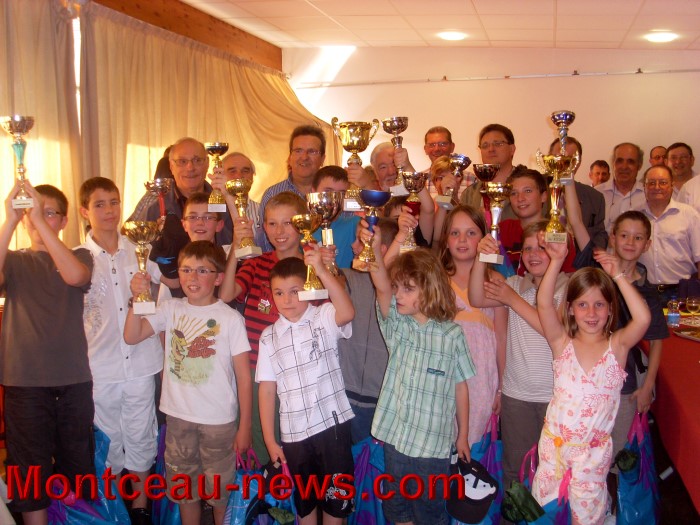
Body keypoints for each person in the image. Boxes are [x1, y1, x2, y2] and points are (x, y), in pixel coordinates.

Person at [124, 241, 252, 525]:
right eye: (186, 270)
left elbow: (244, 377)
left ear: (218, 278)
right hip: (178, 418)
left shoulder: (231, 319)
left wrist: (244, 426)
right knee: (185, 491)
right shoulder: (169, 309)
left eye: (202, 270)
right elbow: (132, 336)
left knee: (220, 494)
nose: (192, 277)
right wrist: (136, 300)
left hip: (219, 422)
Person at [78, 177, 176, 525]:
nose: (109, 210)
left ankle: (141, 509)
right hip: (100, 366)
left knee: (141, 438)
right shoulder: (79, 260)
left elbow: (167, 292)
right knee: (107, 442)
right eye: (99, 204)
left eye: (114, 202)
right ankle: (111, 510)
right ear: (85, 211)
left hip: (141, 363)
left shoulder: (140, 249)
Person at [531, 237, 650, 525]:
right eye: (582, 304)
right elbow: (544, 304)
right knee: (547, 515)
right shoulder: (561, 343)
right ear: (571, 309)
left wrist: (618, 276)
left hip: (593, 457)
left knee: (586, 517)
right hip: (554, 453)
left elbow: (643, 319)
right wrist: (556, 260)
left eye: (599, 304)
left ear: (610, 309)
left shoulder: (617, 346)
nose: (592, 313)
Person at [362, 229, 475, 524]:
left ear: (430, 290)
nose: (398, 294)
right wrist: (375, 247)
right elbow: (381, 287)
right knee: (397, 509)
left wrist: (462, 435)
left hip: (433, 450)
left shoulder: (452, 335)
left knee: (430, 514)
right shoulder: (398, 327)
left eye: (408, 289)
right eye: (397, 287)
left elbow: (461, 387)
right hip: (396, 443)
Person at [0, 182, 94, 523]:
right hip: (24, 383)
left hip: (73, 380)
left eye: (50, 213)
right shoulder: (13, 260)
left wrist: (37, 218)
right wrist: (11, 219)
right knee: (28, 471)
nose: (41, 218)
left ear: (64, 220)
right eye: (35, 213)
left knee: (78, 466)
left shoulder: (80, 255)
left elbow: (75, 277)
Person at [469, 220, 569, 501]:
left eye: (542, 247)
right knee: (515, 471)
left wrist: (512, 300)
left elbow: (553, 330)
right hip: (517, 396)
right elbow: (476, 298)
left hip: (556, 397)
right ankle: (514, 517)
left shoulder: (570, 285)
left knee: (555, 471)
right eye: (527, 249)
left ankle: (548, 518)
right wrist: (480, 259)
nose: (534, 254)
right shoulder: (514, 283)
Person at [256, 254, 355, 525]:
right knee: (305, 503)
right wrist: (270, 440)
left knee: (336, 504)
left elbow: (347, 312)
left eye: (295, 291)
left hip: (332, 428)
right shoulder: (268, 337)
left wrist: (321, 270)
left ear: (309, 288)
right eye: (279, 292)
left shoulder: (323, 316)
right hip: (294, 435)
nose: (287, 299)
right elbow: (267, 390)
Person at [219, 191, 307, 462]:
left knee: (295, 447)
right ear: (263, 227)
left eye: (288, 223)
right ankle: (265, 488)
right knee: (260, 446)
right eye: (272, 223)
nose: (279, 231)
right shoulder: (257, 264)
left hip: (298, 370)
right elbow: (226, 294)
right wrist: (236, 249)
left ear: (303, 224)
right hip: (258, 369)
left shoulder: (313, 266)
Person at [438, 205, 506, 445]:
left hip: (481, 376)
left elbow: (502, 337)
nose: (462, 240)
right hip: (442, 375)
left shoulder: (495, 281)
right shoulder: (436, 280)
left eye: (471, 233)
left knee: (473, 445)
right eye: (455, 233)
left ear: (485, 238)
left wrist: (501, 388)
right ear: (446, 240)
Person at [339, 218, 397, 443]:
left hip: (382, 399)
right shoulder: (348, 278)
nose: (353, 245)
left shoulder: (402, 290)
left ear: (380, 249)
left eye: (360, 241)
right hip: (344, 393)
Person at [636, 164, 700, 303]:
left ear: (672, 185)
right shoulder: (634, 216)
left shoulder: (689, 215)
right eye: (651, 183)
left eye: (663, 182)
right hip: (643, 292)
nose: (657, 187)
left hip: (681, 292)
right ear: (644, 187)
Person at [258, 125, 326, 251]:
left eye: (312, 151)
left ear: (323, 159)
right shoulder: (272, 194)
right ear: (290, 157)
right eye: (298, 150)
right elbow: (264, 240)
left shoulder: (333, 196)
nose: (304, 157)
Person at [547, 137, 608, 249]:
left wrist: (592, 256)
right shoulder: (535, 191)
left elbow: (599, 235)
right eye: (559, 158)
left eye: (570, 160)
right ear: (549, 159)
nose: (564, 164)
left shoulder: (595, 198)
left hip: (580, 258)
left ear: (578, 163)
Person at [460, 123, 525, 222]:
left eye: (497, 144)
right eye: (485, 146)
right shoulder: (470, 194)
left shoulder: (529, 186)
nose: (491, 149)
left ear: (512, 149)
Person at [310, 166, 361, 269]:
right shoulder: (304, 229)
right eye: (328, 192)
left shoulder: (355, 225)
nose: (334, 199)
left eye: (341, 194)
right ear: (313, 192)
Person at [596, 142, 646, 233]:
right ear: (613, 164)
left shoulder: (647, 194)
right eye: (619, 161)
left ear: (639, 165)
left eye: (630, 162)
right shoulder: (596, 193)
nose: (624, 166)